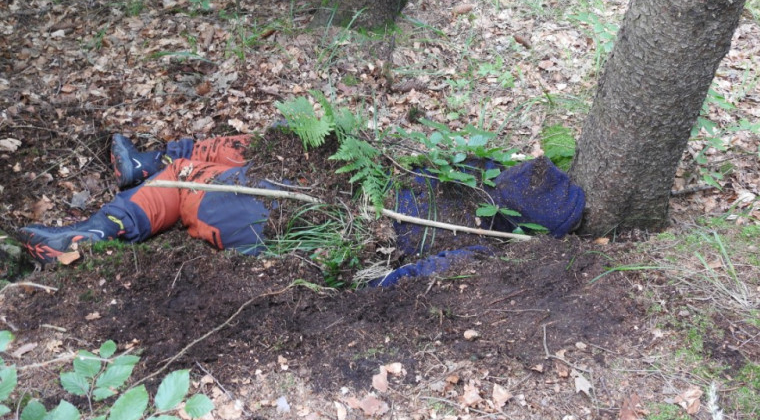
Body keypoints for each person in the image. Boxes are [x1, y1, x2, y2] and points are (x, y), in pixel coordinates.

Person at [18, 133, 586, 285]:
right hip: (331, 191)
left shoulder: (471, 242)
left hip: (298, 221)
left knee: (194, 188)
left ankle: (92, 232)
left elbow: (399, 281)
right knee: (254, 145)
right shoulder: (472, 186)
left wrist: (349, 269)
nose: (504, 171)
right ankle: (150, 163)